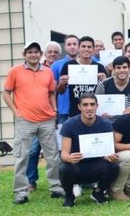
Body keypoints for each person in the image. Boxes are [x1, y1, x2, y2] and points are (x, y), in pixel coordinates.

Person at [3, 42, 65, 204]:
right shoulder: (15, 71)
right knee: (22, 156)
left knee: (52, 156)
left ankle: (56, 187)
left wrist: (54, 110)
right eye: (30, 52)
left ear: (40, 54)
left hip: (46, 120)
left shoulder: (48, 72)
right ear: (25, 54)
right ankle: (21, 192)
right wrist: (16, 112)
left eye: (36, 52)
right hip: (25, 121)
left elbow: (51, 93)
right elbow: (6, 92)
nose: (33, 55)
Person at [58, 93, 119, 207]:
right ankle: (69, 195)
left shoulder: (106, 124)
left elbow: (109, 150)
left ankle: (98, 192)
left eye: (92, 104)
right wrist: (69, 158)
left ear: (97, 106)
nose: (89, 108)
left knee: (114, 165)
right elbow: (64, 154)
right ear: (79, 107)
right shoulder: (69, 124)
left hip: (96, 165)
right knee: (64, 168)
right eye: (85, 105)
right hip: (77, 166)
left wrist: (109, 156)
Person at [27, 41, 62, 192]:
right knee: (33, 150)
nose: (53, 54)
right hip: (36, 116)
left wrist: (54, 111)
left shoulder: (60, 67)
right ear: (44, 54)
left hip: (55, 114)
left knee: (54, 151)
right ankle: (31, 180)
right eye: (50, 52)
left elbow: (53, 93)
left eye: (55, 52)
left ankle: (57, 183)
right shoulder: (36, 70)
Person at [58, 36, 108, 117]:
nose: (86, 49)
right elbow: (61, 91)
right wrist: (61, 83)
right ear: (78, 48)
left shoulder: (100, 67)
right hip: (75, 112)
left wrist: (105, 81)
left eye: (89, 47)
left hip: (95, 113)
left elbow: (106, 91)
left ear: (93, 49)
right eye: (83, 46)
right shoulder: (68, 65)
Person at [95, 56, 130, 121]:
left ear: (129, 68)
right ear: (113, 69)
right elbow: (95, 103)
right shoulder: (103, 84)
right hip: (108, 121)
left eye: (124, 67)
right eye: (118, 68)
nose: (121, 70)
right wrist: (101, 114)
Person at [52, 34, 79, 123]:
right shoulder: (56, 65)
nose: (72, 47)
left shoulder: (88, 62)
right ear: (65, 47)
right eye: (69, 44)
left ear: (79, 46)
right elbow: (53, 90)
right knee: (63, 136)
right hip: (64, 109)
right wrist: (54, 109)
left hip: (82, 107)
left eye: (75, 44)